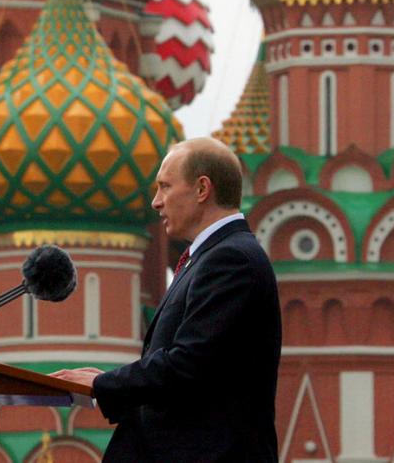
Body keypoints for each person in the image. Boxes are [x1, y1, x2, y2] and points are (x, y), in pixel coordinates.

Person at [52, 137, 281, 462]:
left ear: (202, 189)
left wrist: (104, 384)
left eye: (165, 187)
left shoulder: (231, 259)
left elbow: (188, 364)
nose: (156, 202)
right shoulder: (211, 257)